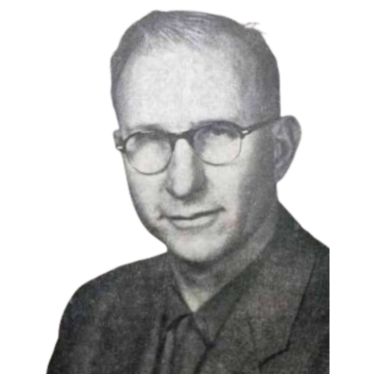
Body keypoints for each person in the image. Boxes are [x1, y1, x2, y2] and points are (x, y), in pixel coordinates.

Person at [48, 10, 329, 374]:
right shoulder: (95, 312)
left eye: (217, 133)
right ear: (121, 144)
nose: (183, 184)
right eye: (149, 139)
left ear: (280, 149)